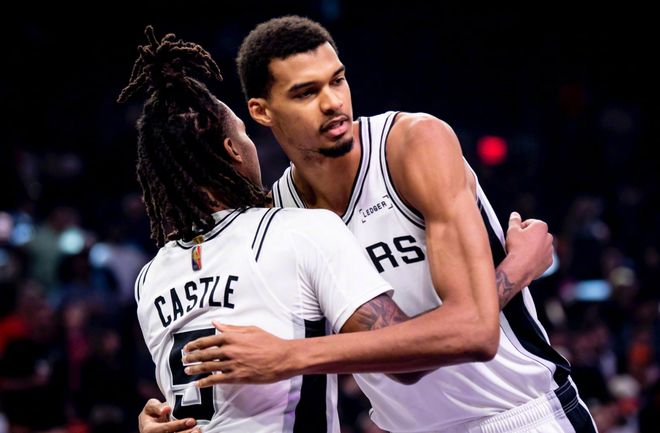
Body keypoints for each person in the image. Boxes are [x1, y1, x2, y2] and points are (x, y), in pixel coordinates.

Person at [159, 15, 597, 433]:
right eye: (306, 93)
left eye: (337, 80)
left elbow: (474, 332)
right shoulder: (281, 218)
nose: (333, 102)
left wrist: (292, 355)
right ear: (261, 111)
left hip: (520, 415)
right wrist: (169, 415)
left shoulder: (412, 145)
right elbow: (245, 355)